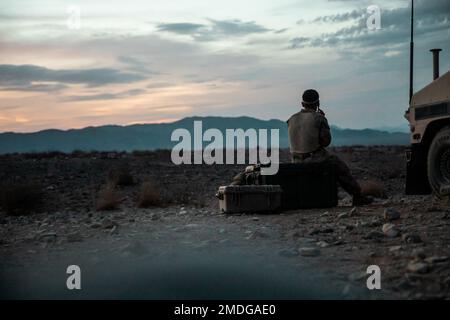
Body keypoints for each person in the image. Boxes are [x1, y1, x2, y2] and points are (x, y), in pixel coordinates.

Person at [287, 89, 372, 206]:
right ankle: (357, 195)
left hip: (295, 160)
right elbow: (326, 141)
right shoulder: (319, 118)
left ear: (302, 104)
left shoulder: (291, 119)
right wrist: (323, 121)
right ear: (318, 104)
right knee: (338, 165)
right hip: (313, 158)